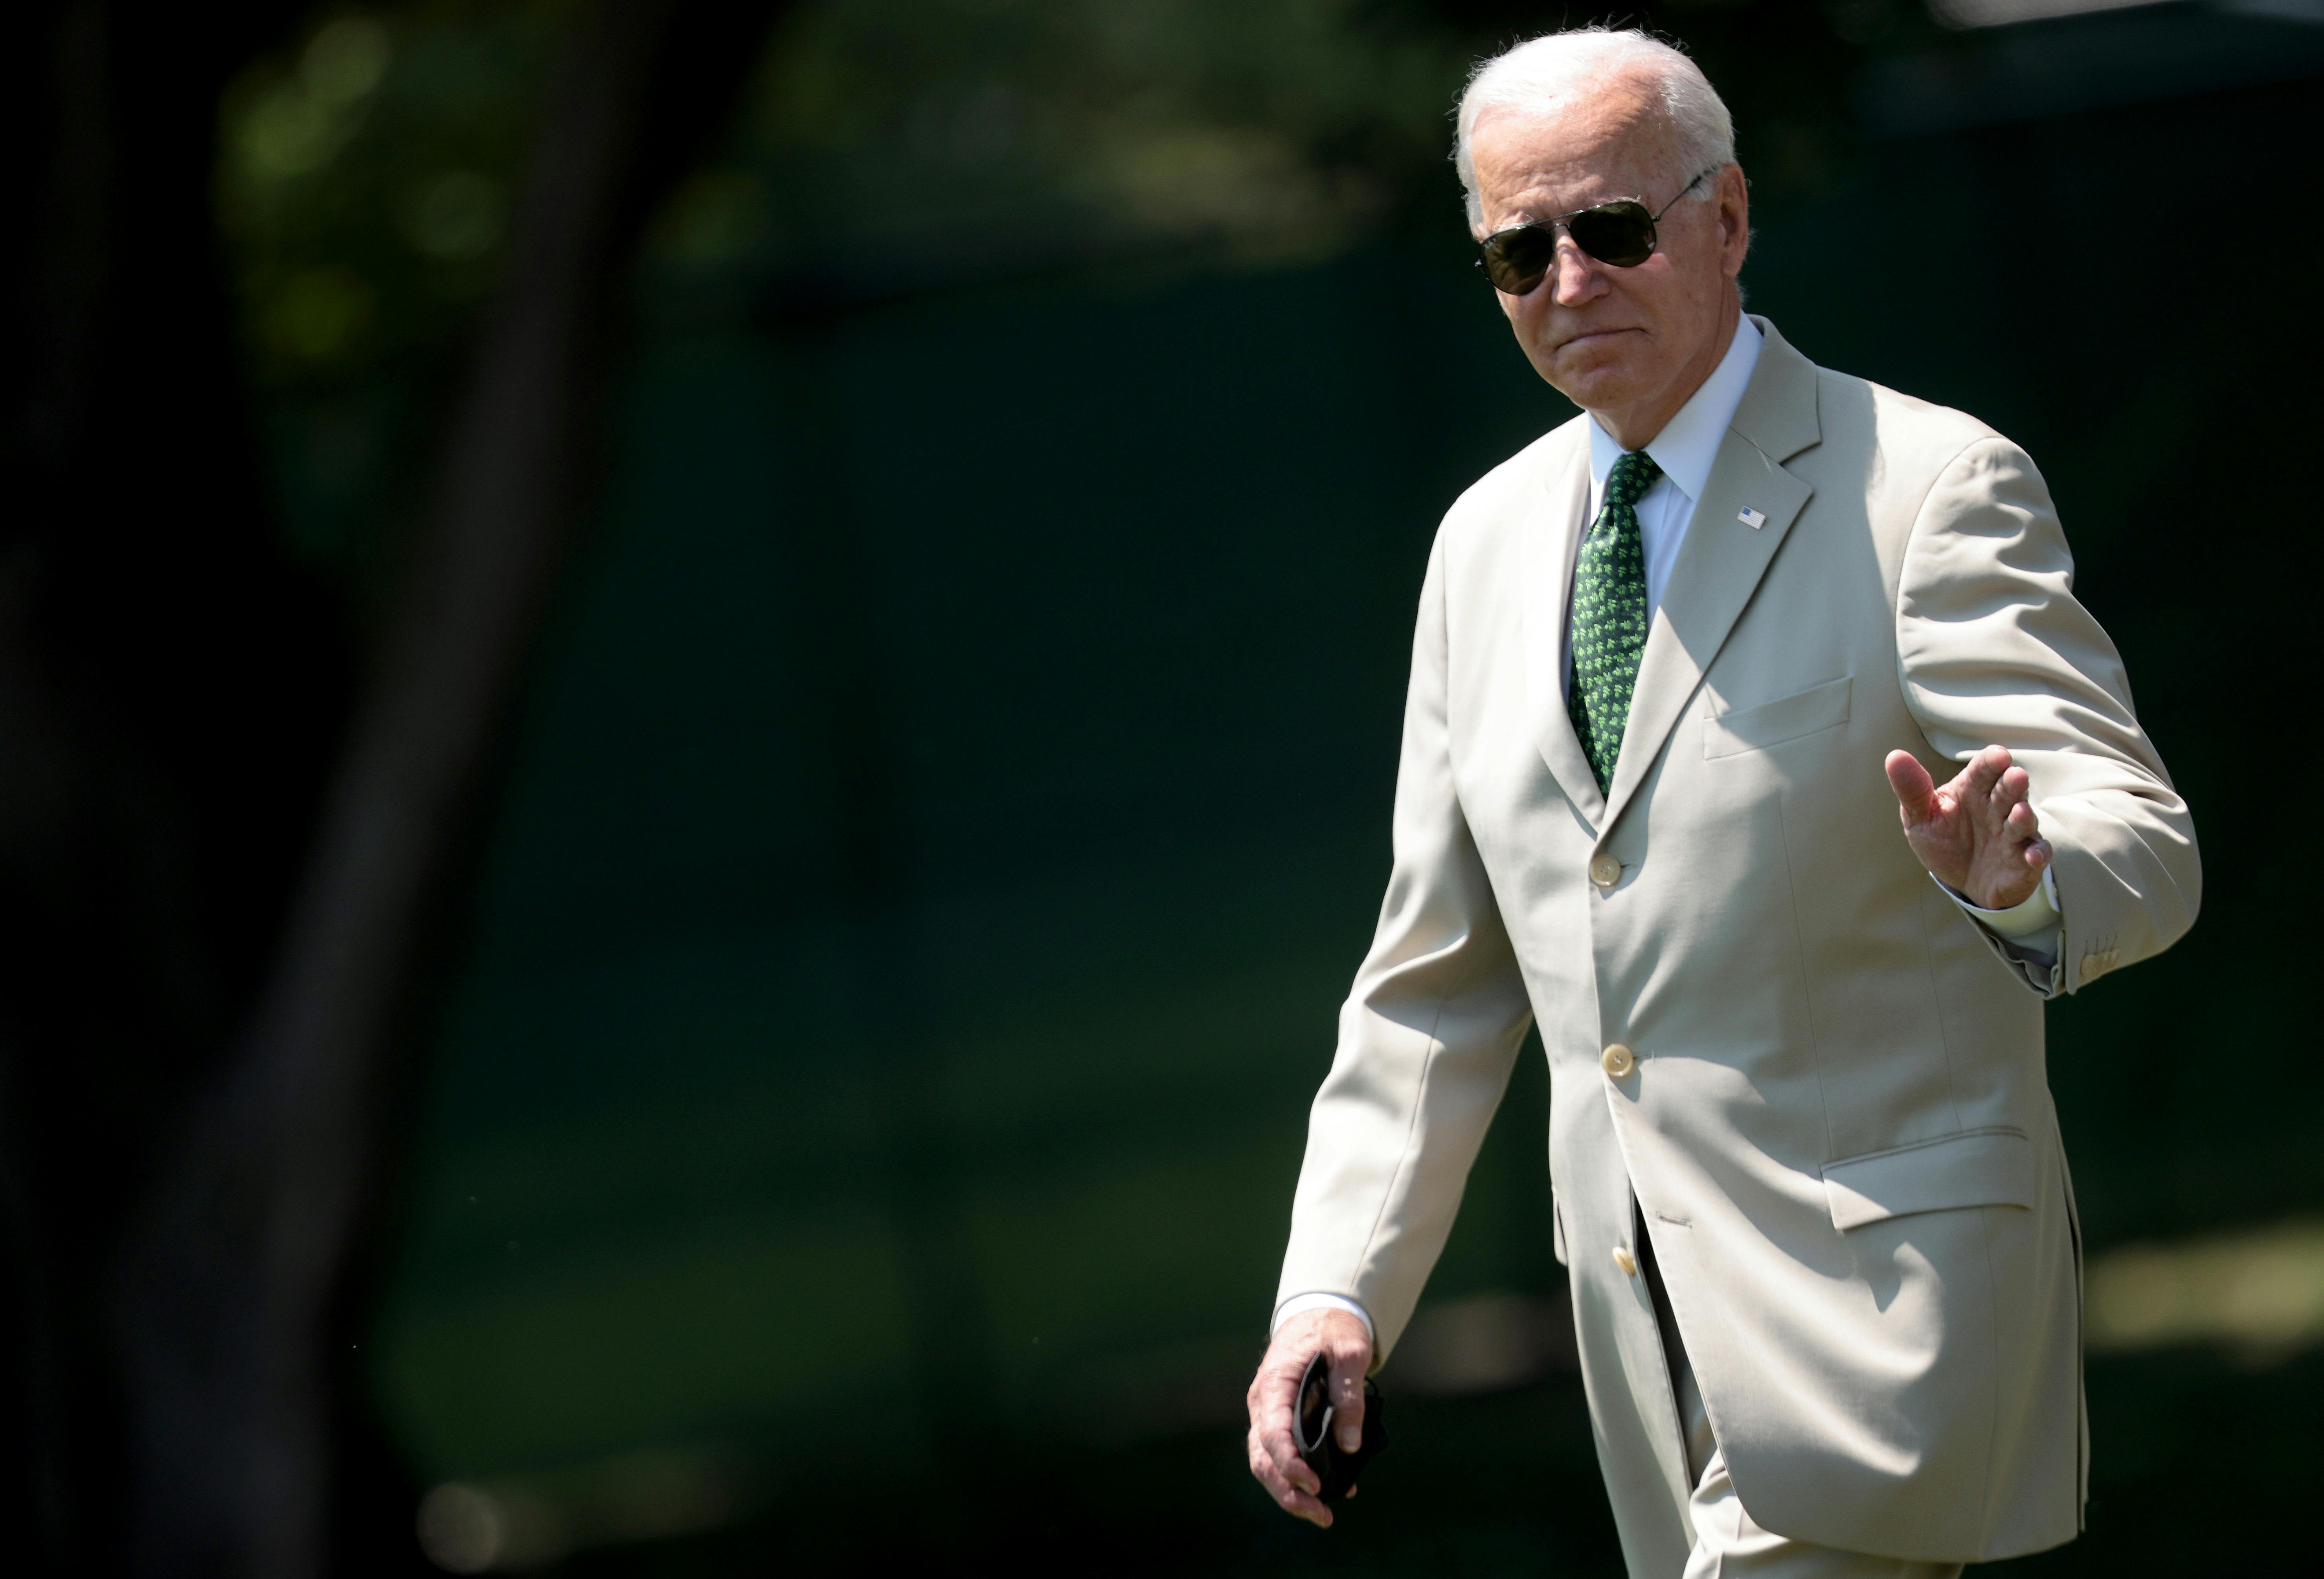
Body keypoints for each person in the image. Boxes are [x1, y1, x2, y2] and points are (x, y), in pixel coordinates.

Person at [1242, 26, 2198, 1579]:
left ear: (1730, 218)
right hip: (1647, 1356)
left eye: (1613, 229)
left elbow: (2142, 840)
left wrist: (2017, 881)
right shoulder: (1481, 548)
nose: (1569, 280)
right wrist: (1331, 1294)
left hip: (1886, 1333)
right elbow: (1433, 988)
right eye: (1517, 250)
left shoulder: (1930, 489)